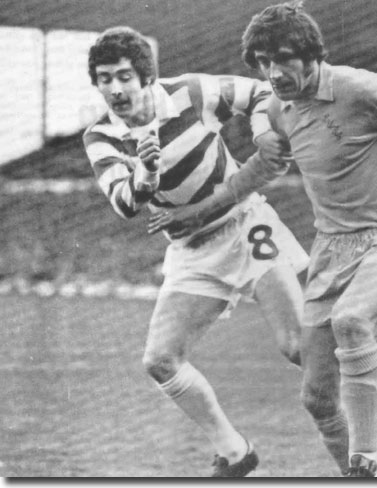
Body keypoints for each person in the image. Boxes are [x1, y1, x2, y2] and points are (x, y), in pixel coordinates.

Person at [151, 2, 377, 477]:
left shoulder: (359, 87)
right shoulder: (279, 109)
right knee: (316, 398)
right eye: (262, 62)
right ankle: (363, 475)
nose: (273, 72)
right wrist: (198, 212)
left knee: (352, 320)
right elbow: (255, 174)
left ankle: (366, 461)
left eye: (283, 59)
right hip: (330, 254)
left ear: (312, 55)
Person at [83, 26, 310, 477]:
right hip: (190, 247)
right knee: (160, 361)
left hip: (244, 225)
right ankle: (235, 452)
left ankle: (368, 426)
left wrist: (262, 130)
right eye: (105, 78)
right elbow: (126, 204)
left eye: (125, 76)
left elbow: (262, 92)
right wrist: (146, 173)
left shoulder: (191, 92)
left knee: (297, 346)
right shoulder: (101, 136)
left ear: (146, 76)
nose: (115, 88)